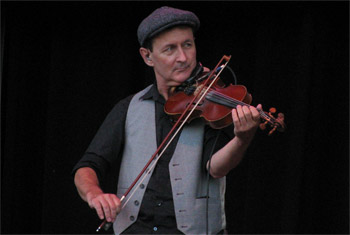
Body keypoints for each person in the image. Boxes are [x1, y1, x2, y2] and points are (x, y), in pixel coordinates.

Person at [73, 6, 261, 234]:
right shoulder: (129, 107)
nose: (183, 58)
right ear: (147, 56)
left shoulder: (210, 104)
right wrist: (94, 194)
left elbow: (216, 168)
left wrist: (242, 139)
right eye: (170, 49)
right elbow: (88, 165)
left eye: (188, 45)